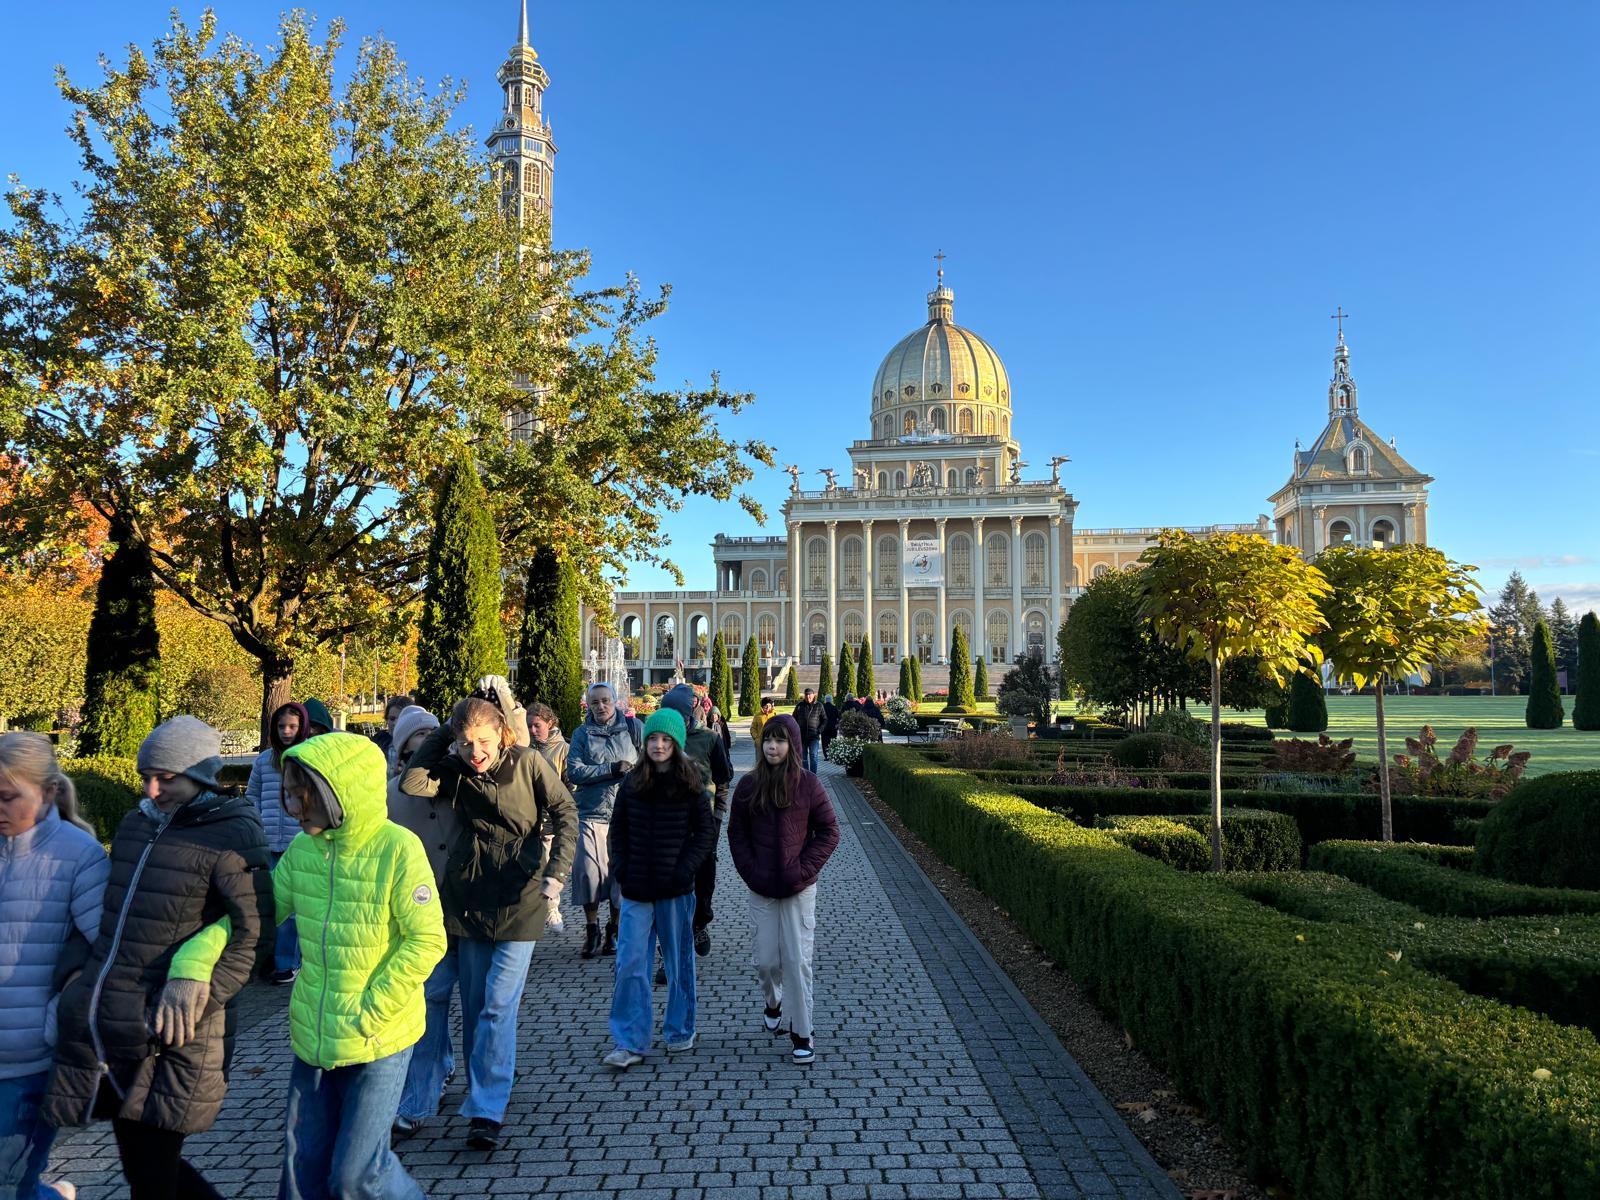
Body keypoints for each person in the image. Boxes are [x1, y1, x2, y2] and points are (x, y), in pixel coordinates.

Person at [44, 716, 274, 1200]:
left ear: (201, 775)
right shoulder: (136, 824)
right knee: (145, 1168)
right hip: (118, 1024)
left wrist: (199, 995)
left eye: (165, 778)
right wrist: (74, 978)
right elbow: (107, 915)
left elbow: (254, 935)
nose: (151, 790)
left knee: (152, 1172)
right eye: (146, 777)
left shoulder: (232, 831)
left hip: (177, 1034)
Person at [402, 681, 577, 1152]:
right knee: (478, 1006)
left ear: (501, 733)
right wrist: (447, 730)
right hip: (470, 894)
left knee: (499, 1004)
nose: (475, 752)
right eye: (466, 743)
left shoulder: (528, 762)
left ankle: (486, 1109)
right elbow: (412, 783)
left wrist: (557, 872)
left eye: (483, 741)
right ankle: (482, 1088)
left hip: (521, 892)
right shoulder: (456, 769)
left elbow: (565, 811)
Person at [273, 732, 445, 1199]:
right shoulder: (302, 851)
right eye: (290, 796)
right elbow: (257, 916)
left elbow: (428, 939)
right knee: (301, 1174)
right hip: (314, 1035)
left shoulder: (397, 848)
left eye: (303, 797)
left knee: (357, 1176)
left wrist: (373, 1008)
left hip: (378, 1036)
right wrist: (194, 961)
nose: (295, 809)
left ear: (336, 794)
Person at [0, 733, 110, 1200]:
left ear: (47, 791)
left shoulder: (79, 855)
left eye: (8, 797)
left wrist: (57, 1018)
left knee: (9, 1187)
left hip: (29, 1062)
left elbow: (106, 952)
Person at [602, 709, 716, 1070]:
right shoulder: (632, 783)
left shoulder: (691, 784)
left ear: (677, 744)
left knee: (679, 962)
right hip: (636, 888)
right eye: (653, 738)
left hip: (675, 890)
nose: (659, 745)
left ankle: (680, 1029)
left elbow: (705, 835)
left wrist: (684, 870)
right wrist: (621, 869)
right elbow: (617, 831)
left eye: (666, 739)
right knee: (631, 963)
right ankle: (630, 1040)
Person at [727, 713, 840, 1064]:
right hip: (761, 887)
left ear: (793, 745)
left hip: (798, 888)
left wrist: (803, 870)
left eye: (780, 740)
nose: (772, 746)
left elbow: (830, 831)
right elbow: (736, 834)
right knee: (766, 961)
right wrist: (751, 872)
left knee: (797, 961)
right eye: (768, 740)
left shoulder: (809, 784)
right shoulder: (748, 785)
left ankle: (802, 1032)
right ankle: (772, 1001)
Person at [385, 705, 462, 1139]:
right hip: (420, 916)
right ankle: (419, 1097)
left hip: (466, 909)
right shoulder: (390, 795)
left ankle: (458, 1070)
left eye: (434, 742)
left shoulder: (459, 784)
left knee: (469, 1003)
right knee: (432, 999)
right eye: (417, 745)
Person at [564, 683, 642, 959]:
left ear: (615, 701)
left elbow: (648, 763)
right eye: (595, 702)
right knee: (588, 873)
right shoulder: (581, 733)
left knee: (620, 874)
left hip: (625, 814)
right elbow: (574, 771)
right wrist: (610, 769)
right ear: (588, 705)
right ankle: (592, 928)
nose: (601, 706)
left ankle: (614, 929)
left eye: (605, 700)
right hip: (591, 812)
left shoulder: (633, 728)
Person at [661, 686, 733, 958]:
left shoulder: (709, 738)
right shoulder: (661, 739)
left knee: (704, 876)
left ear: (688, 712)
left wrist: (718, 817)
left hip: (703, 821)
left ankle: (700, 923)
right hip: (669, 824)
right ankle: (671, 949)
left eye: (675, 714)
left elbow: (723, 779)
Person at [245, 701, 311, 984]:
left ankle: (289, 962)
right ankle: (272, 958)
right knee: (272, 904)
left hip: (300, 842)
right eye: (281, 726)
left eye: (292, 726)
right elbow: (252, 794)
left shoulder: (309, 756)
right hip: (269, 842)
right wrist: (258, 822)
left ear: (302, 728)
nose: (286, 731)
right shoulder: (263, 761)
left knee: (294, 907)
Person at [527, 703, 569, 936]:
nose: (533, 730)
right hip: (527, 820)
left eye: (537, 725)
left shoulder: (563, 749)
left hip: (550, 822)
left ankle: (552, 909)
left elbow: (570, 789)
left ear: (550, 723)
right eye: (529, 726)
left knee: (548, 867)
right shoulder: (525, 748)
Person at [792, 688, 826, 774]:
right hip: (802, 736)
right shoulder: (800, 705)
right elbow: (793, 719)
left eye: (809, 694)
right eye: (806, 694)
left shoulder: (819, 705)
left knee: (813, 756)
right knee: (803, 757)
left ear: (813, 695)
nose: (808, 696)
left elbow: (824, 719)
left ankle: (813, 775)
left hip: (814, 736)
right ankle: (807, 775)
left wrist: (819, 730)